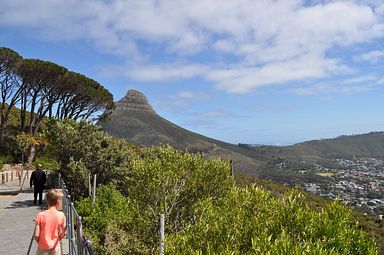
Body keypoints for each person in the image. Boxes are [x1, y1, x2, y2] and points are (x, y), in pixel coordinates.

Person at [34, 189, 66, 255]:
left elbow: (36, 235)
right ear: (58, 203)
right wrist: (59, 238)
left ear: (47, 201)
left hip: (42, 247)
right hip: (55, 246)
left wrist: (41, 242)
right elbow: (64, 233)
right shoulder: (61, 215)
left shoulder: (40, 215)